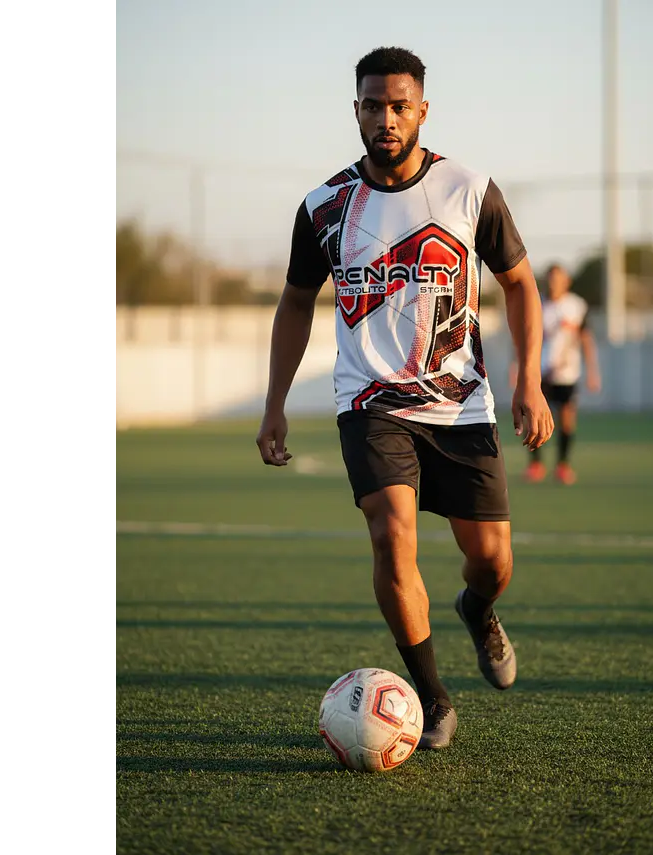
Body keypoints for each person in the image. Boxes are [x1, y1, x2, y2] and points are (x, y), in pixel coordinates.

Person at [256, 46, 553, 752]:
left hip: (461, 406)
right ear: (355, 110)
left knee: (493, 562)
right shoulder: (324, 206)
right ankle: (433, 697)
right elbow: (296, 302)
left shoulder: (468, 190)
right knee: (392, 535)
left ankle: (477, 609)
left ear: (421, 109)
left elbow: (520, 283)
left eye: (398, 105)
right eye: (371, 105)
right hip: (370, 402)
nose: (385, 118)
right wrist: (273, 404)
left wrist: (529, 377)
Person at [509, 263, 601, 484]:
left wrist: (592, 371)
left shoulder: (576, 306)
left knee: (567, 420)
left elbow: (585, 339)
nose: (554, 283)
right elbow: (523, 337)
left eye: (559, 279)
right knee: (535, 419)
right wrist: (516, 366)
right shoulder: (538, 304)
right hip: (538, 372)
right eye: (551, 279)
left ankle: (563, 465)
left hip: (567, 373)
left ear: (566, 281)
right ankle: (536, 465)